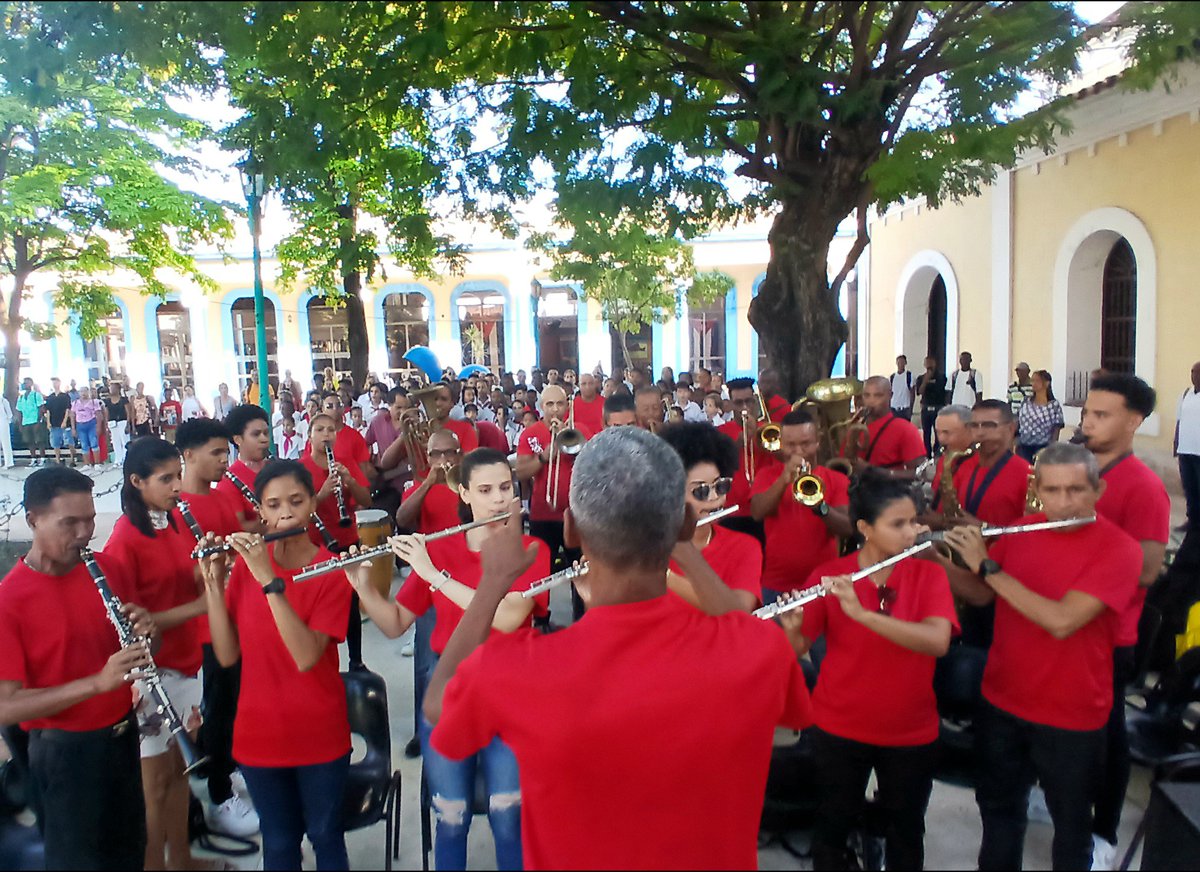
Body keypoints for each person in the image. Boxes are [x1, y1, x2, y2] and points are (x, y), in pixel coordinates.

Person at [422, 428, 814, 869]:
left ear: (570, 528)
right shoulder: (760, 649)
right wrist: (684, 547)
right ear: (685, 524)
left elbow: (437, 706)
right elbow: (783, 699)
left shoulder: (522, 670)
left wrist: (493, 583)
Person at [942, 443, 1141, 872]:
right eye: (1053, 490)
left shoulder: (1120, 549)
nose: (1064, 503)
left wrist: (986, 566)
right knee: (998, 814)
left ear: (1099, 490)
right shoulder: (1022, 529)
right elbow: (983, 594)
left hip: (1071, 715)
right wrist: (931, 558)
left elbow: (1061, 620)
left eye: (1076, 490)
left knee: (1070, 828)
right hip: (1002, 700)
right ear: (1037, 491)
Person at [357, 448, 551, 870]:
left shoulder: (531, 549)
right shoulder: (439, 549)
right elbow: (394, 623)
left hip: (512, 697)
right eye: (486, 490)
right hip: (450, 696)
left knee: (508, 818)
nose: (499, 499)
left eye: (506, 488)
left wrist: (433, 576)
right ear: (464, 493)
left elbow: (507, 617)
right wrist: (364, 586)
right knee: (451, 818)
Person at [780, 468, 956, 870]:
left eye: (913, 522)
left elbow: (937, 641)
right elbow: (798, 648)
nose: (912, 533)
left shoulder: (928, 574)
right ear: (865, 528)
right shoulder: (830, 577)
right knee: (831, 827)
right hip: (839, 725)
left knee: (906, 832)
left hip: (910, 731)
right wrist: (791, 629)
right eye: (898, 524)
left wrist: (862, 614)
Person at [198, 461, 353, 871]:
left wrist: (269, 580)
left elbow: (305, 656)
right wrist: (213, 584)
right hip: (258, 732)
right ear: (261, 511)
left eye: (296, 502)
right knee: (280, 842)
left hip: (319, 733)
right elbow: (226, 656)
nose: (286, 514)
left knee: (325, 835)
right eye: (274, 505)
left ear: (313, 503)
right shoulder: (248, 567)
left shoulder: (330, 571)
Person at [0, 466, 157, 869]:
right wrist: (97, 683)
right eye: (69, 523)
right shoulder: (9, 601)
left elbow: (136, 651)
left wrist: (146, 630)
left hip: (121, 737)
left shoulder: (108, 569)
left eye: (89, 520)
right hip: (65, 754)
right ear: (33, 520)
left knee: (129, 851)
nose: (84, 533)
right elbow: (6, 706)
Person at [102, 437, 207, 871]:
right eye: (166, 479)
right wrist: (203, 605)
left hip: (186, 659)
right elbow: (129, 623)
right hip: (151, 672)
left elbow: (186, 578)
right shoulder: (124, 539)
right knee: (154, 783)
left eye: (178, 475)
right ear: (136, 481)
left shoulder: (175, 519)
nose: (178, 486)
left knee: (180, 771)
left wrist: (211, 570)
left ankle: (181, 859)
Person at [1079, 372, 1170, 869]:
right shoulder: (1077, 472)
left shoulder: (1144, 487)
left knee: (1107, 737)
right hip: (1061, 628)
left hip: (1110, 634)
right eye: (1087, 412)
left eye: (1101, 415)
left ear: (1133, 422)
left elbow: (1149, 569)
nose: (1088, 422)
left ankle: (1104, 833)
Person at [750, 409, 853, 604]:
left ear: (817, 442)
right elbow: (757, 512)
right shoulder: (767, 475)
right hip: (776, 585)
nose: (798, 451)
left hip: (823, 582)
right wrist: (783, 480)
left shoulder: (836, 479)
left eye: (805, 443)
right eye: (790, 445)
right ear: (781, 444)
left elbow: (847, 528)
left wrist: (819, 506)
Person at [658, 422, 763, 612]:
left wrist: (662, 574)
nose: (714, 497)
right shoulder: (649, 549)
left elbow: (738, 611)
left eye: (721, 486)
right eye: (701, 491)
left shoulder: (744, 547)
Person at [516, 384, 593, 620]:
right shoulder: (530, 434)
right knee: (541, 571)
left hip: (577, 514)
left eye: (560, 404)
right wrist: (543, 457)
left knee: (580, 568)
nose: (555, 410)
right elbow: (521, 472)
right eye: (549, 405)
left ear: (567, 406)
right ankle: (541, 620)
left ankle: (582, 619)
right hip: (543, 514)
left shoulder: (580, 430)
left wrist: (572, 447)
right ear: (541, 407)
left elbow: (593, 465)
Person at [303, 415, 371, 555]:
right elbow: (300, 513)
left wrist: (350, 481)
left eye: (331, 430)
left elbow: (366, 501)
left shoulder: (346, 462)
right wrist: (322, 494)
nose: (326, 434)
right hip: (316, 543)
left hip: (349, 538)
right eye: (320, 429)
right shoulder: (300, 469)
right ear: (310, 436)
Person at [717, 377, 774, 545]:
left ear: (755, 402)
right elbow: (715, 463)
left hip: (765, 511)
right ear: (730, 405)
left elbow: (781, 457)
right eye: (738, 403)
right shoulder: (720, 432)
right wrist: (737, 444)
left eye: (748, 401)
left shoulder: (769, 430)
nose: (744, 407)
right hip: (732, 512)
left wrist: (757, 435)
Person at [846, 376, 926, 478]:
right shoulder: (853, 427)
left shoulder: (905, 429)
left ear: (890, 395)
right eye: (866, 395)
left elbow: (920, 473)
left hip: (887, 487)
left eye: (878, 395)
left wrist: (872, 470)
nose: (871, 401)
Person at [218, 403, 272, 532]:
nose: (264, 439)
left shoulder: (279, 468)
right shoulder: (228, 482)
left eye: (266, 433)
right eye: (256, 434)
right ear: (238, 439)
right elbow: (239, 527)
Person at [922, 404, 975, 516]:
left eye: (947, 432)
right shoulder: (945, 458)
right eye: (938, 432)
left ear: (969, 429)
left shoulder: (983, 462)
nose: (941, 439)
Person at [320, 393, 375, 488]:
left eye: (338, 405)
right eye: (330, 406)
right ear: (322, 409)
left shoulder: (355, 436)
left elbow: (363, 470)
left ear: (343, 409)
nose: (335, 409)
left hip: (352, 491)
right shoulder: (316, 438)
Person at [1015, 370, 1064, 463]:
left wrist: (1052, 446)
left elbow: (1057, 426)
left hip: (1043, 445)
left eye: (1037, 381)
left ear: (1046, 383)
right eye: (1032, 381)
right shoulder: (1025, 401)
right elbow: (1018, 421)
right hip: (1024, 445)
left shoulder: (1053, 405)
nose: (1033, 384)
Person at [1174, 360, 1200, 526]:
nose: (1195, 376)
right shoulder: (1185, 394)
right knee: (1189, 489)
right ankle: (1192, 521)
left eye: (1198, 373)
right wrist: (1176, 444)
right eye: (1193, 372)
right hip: (1185, 450)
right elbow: (1179, 420)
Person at [916, 356, 947, 457]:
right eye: (927, 363)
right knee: (926, 433)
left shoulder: (942, 377)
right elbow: (919, 392)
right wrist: (925, 380)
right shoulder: (921, 378)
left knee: (938, 431)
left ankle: (937, 452)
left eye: (931, 363)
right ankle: (927, 454)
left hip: (937, 408)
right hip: (926, 408)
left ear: (935, 364)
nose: (929, 365)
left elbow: (942, 391)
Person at [69, 385, 106, 470]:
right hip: (80, 424)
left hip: (91, 423)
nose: (83, 393)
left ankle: (97, 463)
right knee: (84, 444)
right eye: (81, 391)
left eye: (85, 391)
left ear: (88, 392)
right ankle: (87, 464)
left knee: (94, 443)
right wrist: (73, 428)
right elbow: (72, 415)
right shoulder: (75, 403)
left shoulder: (94, 402)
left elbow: (98, 414)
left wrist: (98, 426)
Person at [46, 377, 78, 467]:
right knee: (55, 442)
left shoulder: (65, 396)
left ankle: (72, 459)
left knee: (69, 442)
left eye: (56, 382)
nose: (54, 384)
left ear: (59, 383)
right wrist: (48, 422)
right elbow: (48, 410)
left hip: (65, 423)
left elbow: (67, 409)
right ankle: (58, 460)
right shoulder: (50, 397)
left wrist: (64, 421)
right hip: (54, 422)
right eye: (53, 383)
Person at [16, 377, 46, 466]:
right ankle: (33, 458)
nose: (24, 384)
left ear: (31, 384)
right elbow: (19, 411)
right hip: (25, 422)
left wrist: (38, 421)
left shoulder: (36, 395)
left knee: (39, 440)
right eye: (24, 383)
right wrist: (20, 424)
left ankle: (42, 458)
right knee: (29, 441)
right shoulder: (21, 397)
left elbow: (41, 408)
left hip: (35, 421)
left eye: (26, 383)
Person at [105, 382, 132, 466]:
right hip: (112, 423)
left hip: (122, 421)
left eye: (113, 388)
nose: (112, 390)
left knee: (124, 440)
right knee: (115, 441)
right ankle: (118, 459)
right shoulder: (107, 401)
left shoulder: (124, 400)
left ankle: (126, 459)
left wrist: (128, 423)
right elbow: (106, 413)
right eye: (111, 388)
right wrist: (106, 424)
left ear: (118, 389)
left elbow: (128, 412)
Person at [890, 355, 915, 421]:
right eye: (898, 362)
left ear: (905, 363)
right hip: (893, 409)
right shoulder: (892, 377)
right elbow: (890, 393)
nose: (900, 364)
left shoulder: (909, 376)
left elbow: (912, 393)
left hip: (905, 409)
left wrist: (911, 409)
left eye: (902, 362)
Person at [0, 388, 12, 467]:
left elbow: (9, 414)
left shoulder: (3, 401)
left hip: (3, 422)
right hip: (3, 422)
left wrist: (7, 421)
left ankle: (9, 463)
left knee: (6, 443)